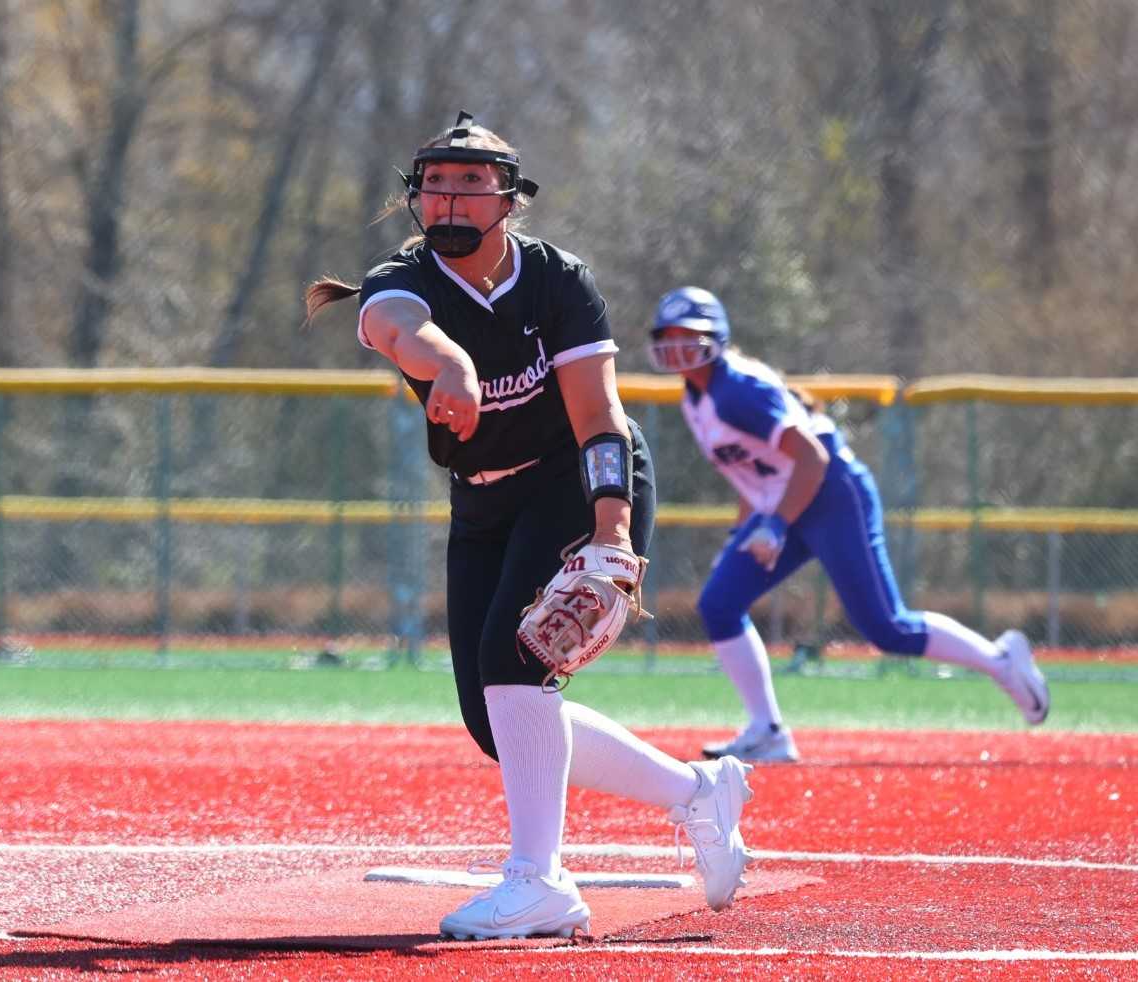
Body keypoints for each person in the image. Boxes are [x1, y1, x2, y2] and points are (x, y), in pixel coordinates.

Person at [305, 114, 753, 940]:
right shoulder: (396, 282)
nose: (451, 197)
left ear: (508, 199)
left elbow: (598, 417)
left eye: (472, 183)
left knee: (515, 661)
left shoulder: (556, 280)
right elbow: (401, 330)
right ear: (414, 197)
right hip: (481, 497)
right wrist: (452, 365)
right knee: (495, 721)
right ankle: (698, 793)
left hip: (573, 480)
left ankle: (539, 882)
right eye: (437, 181)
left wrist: (610, 532)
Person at [646, 286, 1052, 763]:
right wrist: (744, 532)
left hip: (832, 493)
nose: (677, 345)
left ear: (716, 336)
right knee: (719, 603)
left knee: (886, 628)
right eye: (668, 336)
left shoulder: (736, 389)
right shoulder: (696, 398)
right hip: (786, 499)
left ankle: (1000, 661)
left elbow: (812, 458)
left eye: (688, 334)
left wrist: (775, 525)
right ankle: (768, 730)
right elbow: (749, 473)